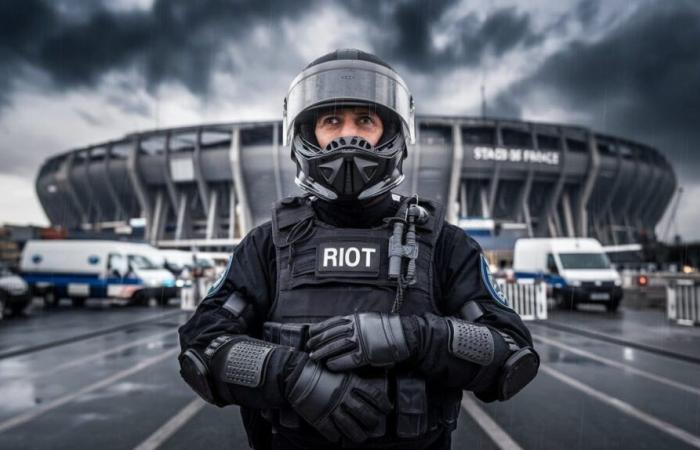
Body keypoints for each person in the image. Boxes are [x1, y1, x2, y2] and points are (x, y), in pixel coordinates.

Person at [178, 49, 539, 450]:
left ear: (392, 133)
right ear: (304, 134)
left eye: (364, 120)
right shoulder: (267, 244)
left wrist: (414, 337)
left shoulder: (443, 245)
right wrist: (293, 377)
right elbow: (202, 346)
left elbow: (511, 352)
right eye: (332, 120)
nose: (348, 136)